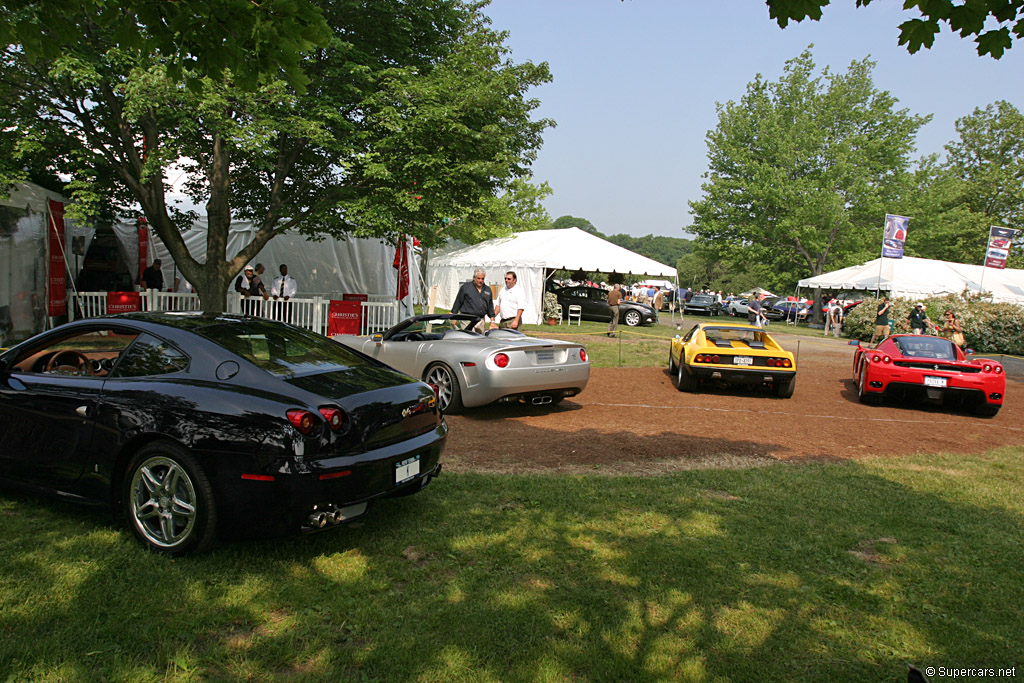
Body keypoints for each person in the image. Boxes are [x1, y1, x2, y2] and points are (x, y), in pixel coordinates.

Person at [451, 268, 495, 333]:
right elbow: (458, 302)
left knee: (480, 341)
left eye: (482, 279)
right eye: (478, 278)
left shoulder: (487, 290)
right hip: (467, 319)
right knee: (468, 339)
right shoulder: (466, 287)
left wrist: (492, 321)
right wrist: (454, 317)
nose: (480, 280)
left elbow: (490, 306)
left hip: (480, 320)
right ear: (474, 278)